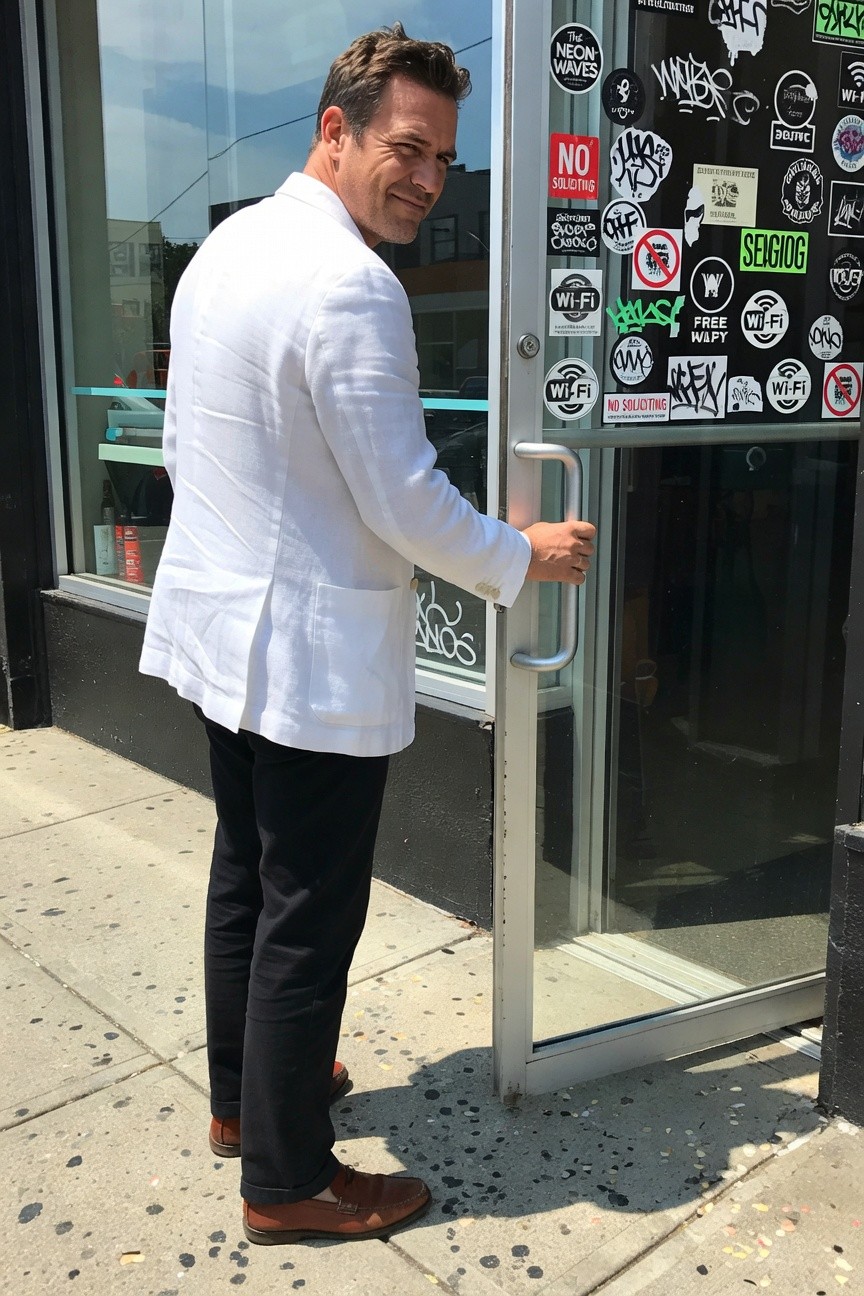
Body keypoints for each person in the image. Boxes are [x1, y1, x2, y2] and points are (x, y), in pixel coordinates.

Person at [139, 23, 596, 1246]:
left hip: (221, 634)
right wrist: (524, 556)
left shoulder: (228, 246)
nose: (429, 178)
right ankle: (287, 1179)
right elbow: (404, 500)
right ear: (335, 130)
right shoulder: (352, 284)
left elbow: (186, 444)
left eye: (444, 156)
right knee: (308, 912)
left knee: (248, 877)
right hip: (304, 658)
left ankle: (245, 1104)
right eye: (409, 147)